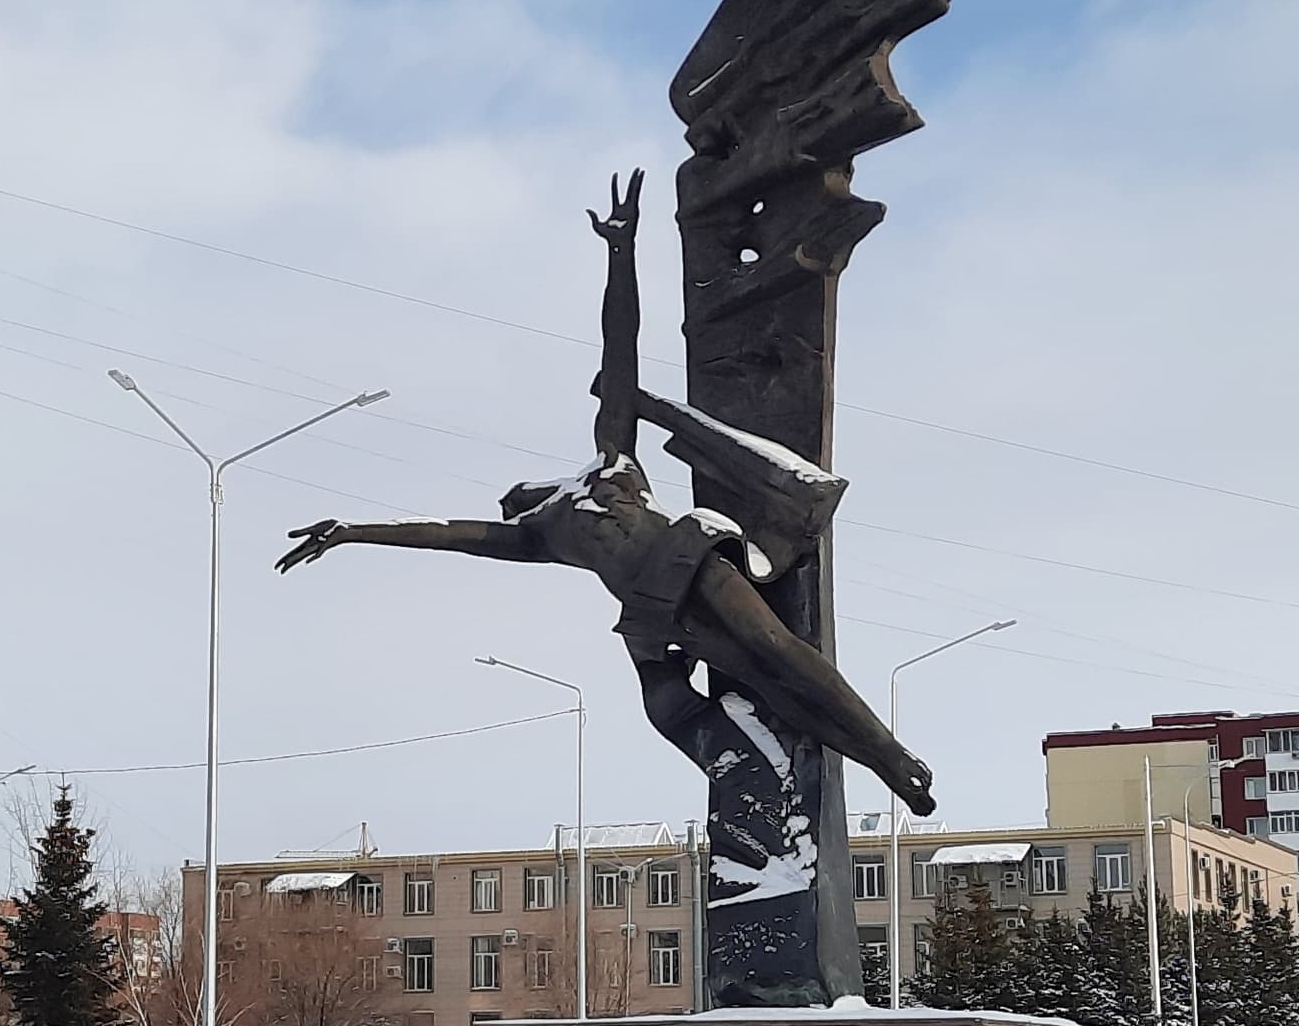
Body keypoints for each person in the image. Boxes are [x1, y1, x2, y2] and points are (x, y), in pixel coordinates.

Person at [277, 173, 937, 817]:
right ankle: (881, 768)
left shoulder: (608, 464)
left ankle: (890, 754)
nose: (514, 496)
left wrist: (620, 252)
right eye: (512, 499)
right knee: (765, 681)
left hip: (688, 556)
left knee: (777, 649)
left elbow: (619, 347)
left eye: (517, 492)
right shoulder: (537, 534)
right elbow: (447, 533)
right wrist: (354, 532)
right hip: (652, 609)